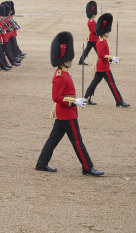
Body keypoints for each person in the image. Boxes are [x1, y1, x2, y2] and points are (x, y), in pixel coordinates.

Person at [35, 32, 104, 176]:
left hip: (65, 113)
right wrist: (74, 101)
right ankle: (87, 167)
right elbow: (56, 97)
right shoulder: (59, 76)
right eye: (68, 59)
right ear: (62, 60)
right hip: (67, 114)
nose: (71, 60)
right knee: (77, 141)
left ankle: (42, 163)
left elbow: (67, 93)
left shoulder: (64, 73)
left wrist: (78, 100)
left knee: (53, 139)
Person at [83, 13, 130, 107]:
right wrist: (111, 57)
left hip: (102, 66)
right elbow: (101, 55)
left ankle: (86, 98)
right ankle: (119, 101)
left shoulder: (102, 40)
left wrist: (110, 59)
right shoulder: (101, 42)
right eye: (108, 32)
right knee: (112, 84)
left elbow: (104, 54)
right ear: (104, 32)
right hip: (103, 67)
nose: (109, 33)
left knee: (94, 83)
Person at [78, 1, 97, 65]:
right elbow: (94, 31)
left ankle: (81, 60)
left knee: (86, 51)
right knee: (99, 51)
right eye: (94, 13)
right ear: (92, 14)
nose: (95, 14)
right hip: (94, 39)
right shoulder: (91, 22)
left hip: (92, 38)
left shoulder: (91, 21)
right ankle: (105, 61)